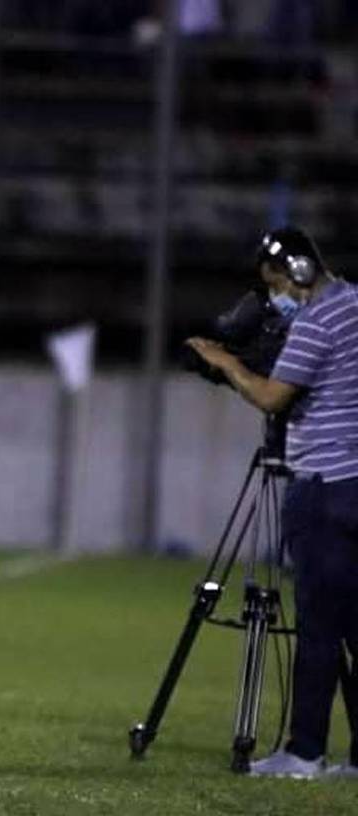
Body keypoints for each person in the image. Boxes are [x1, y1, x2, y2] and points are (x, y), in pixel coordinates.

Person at [187, 226, 358, 779]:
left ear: (303, 270)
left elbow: (271, 396)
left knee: (317, 624)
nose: (279, 294)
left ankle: (304, 752)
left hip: (323, 487)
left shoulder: (315, 321)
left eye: (280, 282)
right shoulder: (354, 305)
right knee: (354, 624)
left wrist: (226, 362)